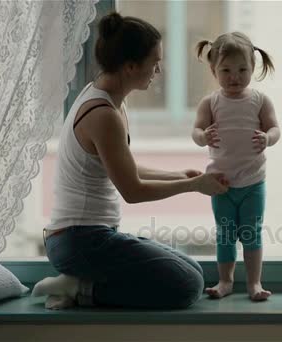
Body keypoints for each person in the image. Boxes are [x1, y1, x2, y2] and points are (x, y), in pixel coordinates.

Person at [31, 12, 229, 310]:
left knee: (194, 270)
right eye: (154, 62)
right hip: (80, 241)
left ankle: (80, 282)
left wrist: (177, 174)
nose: (158, 71)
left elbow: (124, 168)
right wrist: (193, 185)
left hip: (88, 237)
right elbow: (132, 191)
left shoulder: (106, 98)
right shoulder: (104, 115)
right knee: (188, 286)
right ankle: (81, 288)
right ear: (130, 66)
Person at [192, 32, 280, 301]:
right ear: (213, 69)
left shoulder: (260, 100)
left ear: (253, 68)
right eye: (226, 70)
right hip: (221, 184)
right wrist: (203, 136)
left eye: (242, 70)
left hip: (253, 182)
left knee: (252, 233)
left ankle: (254, 282)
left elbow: (275, 129)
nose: (234, 77)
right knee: (226, 234)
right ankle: (225, 281)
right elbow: (195, 131)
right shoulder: (211, 102)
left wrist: (268, 138)